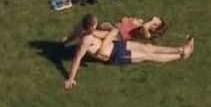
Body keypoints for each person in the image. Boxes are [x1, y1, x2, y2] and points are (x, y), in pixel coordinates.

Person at [62, 14, 194, 91]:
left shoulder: (85, 29)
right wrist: (71, 78)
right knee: (148, 55)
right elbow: (77, 58)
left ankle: (181, 49)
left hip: (118, 45)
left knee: (148, 48)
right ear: (91, 26)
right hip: (115, 56)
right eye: (96, 23)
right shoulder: (86, 40)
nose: (98, 23)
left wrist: (64, 42)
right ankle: (180, 56)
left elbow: (74, 34)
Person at [62, 15, 167, 44]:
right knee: (93, 26)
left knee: (89, 31)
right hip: (113, 28)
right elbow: (123, 19)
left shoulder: (147, 35)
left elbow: (145, 27)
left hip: (117, 36)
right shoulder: (140, 22)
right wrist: (128, 20)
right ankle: (67, 39)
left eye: (154, 24)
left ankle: (69, 39)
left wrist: (152, 20)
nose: (151, 21)